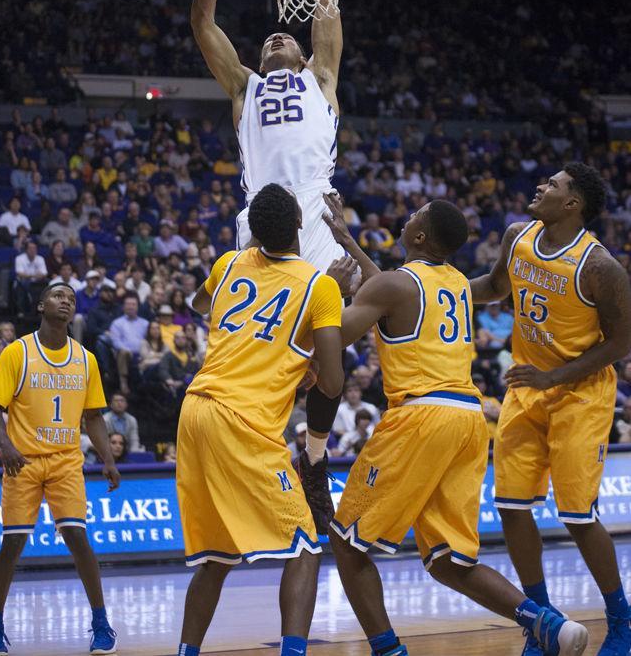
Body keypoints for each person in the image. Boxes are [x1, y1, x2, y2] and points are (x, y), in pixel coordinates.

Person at [322, 194, 589, 656]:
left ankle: (389, 651)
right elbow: (387, 287)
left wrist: (327, 290)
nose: (405, 219)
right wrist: (347, 239)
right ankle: (545, 622)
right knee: (449, 561)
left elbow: (337, 334)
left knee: (347, 542)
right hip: (467, 420)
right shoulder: (458, 285)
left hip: (420, 415)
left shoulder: (395, 286)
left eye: (412, 218)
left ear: (419, 236)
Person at [176, 183, 351, 656]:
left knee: (217, 557)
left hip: (195, 412)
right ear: (299, 223)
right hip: (243, 420)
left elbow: (198, 305)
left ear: (253, 232)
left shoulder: (228, 264)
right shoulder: (320, 285)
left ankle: (186, 651)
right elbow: (333, 384)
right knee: (305, 546)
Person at [470, 162, 631, 656]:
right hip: (527, 386)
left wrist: (555, 377)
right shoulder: (518, 236)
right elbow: (496, 288)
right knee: (513, 508)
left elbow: (623, 341)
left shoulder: (600, 266)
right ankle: (543, 622)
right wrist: (432, 292)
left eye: (554, 185)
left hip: (581, 394)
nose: (541, 186)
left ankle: (622, 621)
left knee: (578, 515)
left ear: (572, 204)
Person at [190, 0, 345, 272]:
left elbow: (327, 2)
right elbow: (203, 23)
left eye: (287, 38)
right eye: (270, 41)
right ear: (260, 64)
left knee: (323, 307)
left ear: (304, 58)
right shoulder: (246, 87)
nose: (278, 37)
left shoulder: (319, 78)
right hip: (262, 201)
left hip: (316, 200)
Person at [0, 282, 119, 655]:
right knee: (12, 544)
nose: (66, 302)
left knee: (78, 538)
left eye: (72, 299)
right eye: (59, 296)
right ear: (41, 305)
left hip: (65, 461)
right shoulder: (17, 352)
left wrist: (107, 459)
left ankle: (102, 623)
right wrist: (6, 447)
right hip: (22, 461)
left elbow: (93, 417)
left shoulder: (86, 359)